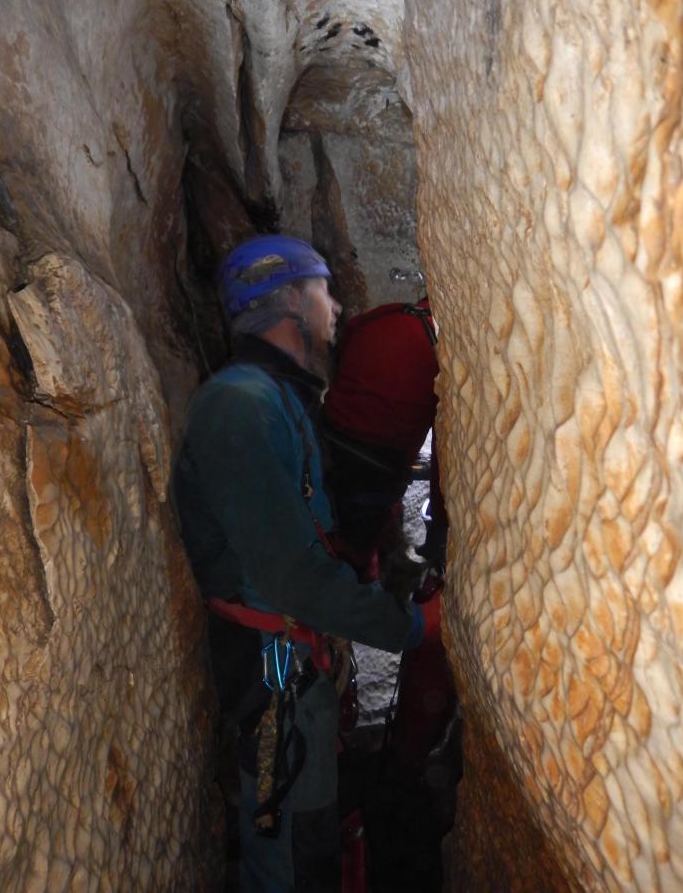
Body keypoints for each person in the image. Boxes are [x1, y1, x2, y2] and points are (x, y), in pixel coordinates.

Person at [170, 235, 441, 892]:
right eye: (324, 290)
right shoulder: (241, 406)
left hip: (288, 658)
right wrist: (411, 626)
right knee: (289, 843)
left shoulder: (278, 399)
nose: (338, 307)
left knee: (305, 828)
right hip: (272, 669)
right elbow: (293, 577)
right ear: (289, 301)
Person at [322, 296, 449, 586]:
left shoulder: (384, 315)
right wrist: (438, 536)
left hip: (326, 438)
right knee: (357, 552)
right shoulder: (444, 353)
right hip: (377, 465)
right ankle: (365, 602)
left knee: (338, 531)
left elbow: (341, 355)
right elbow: (447, 453)